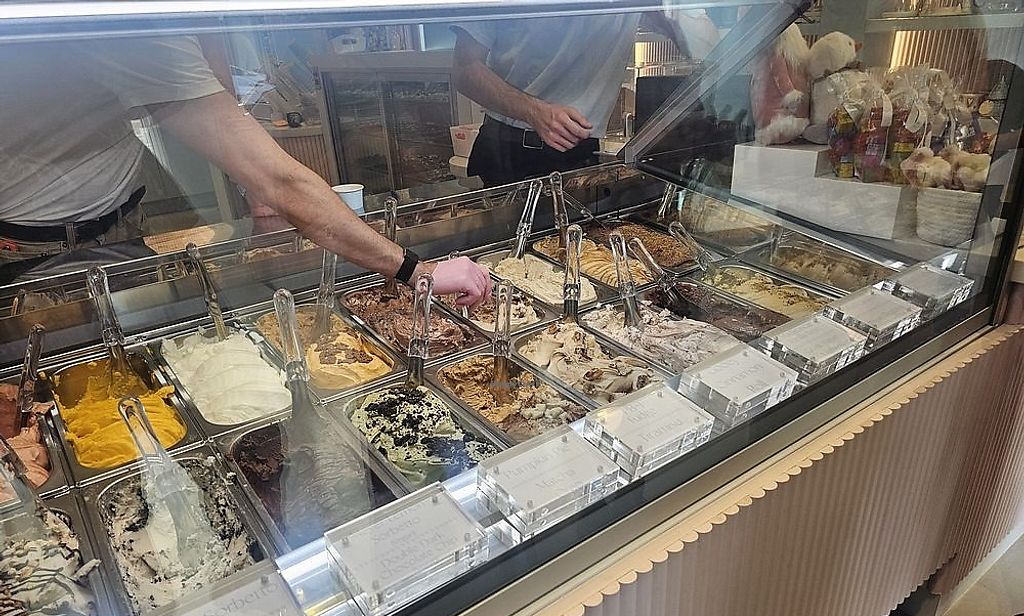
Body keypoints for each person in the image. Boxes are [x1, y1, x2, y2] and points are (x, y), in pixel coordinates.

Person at [0, 35, 491, 305]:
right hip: (24, 244)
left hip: (126, 217)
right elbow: (284, 182)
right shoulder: (135, 35)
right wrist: (419, 270)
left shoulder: (154, 30)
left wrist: (249, 176)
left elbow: (222, 106)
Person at [453, 11, 714, 187]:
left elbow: (707, 44)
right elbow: (464, 70)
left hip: (580, 153)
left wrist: (669, 12)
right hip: (506, 147)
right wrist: (535, 111)